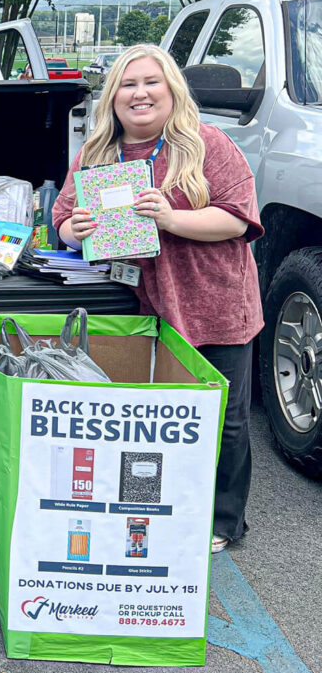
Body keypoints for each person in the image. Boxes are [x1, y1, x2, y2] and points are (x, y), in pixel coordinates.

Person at [53, 44, 263, 554]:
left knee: (224, 419)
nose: (140, 93)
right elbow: (61, 219)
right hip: (138, 308)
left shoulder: (206, 143)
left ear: (172, 90)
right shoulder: (97, 153)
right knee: (151, 417)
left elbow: (239, 217)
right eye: (128, 84)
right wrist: (76, 230)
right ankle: (155, 507)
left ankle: (223, 520)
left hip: (214, 304)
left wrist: (171, 219)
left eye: (151, 82)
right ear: (112, 96)